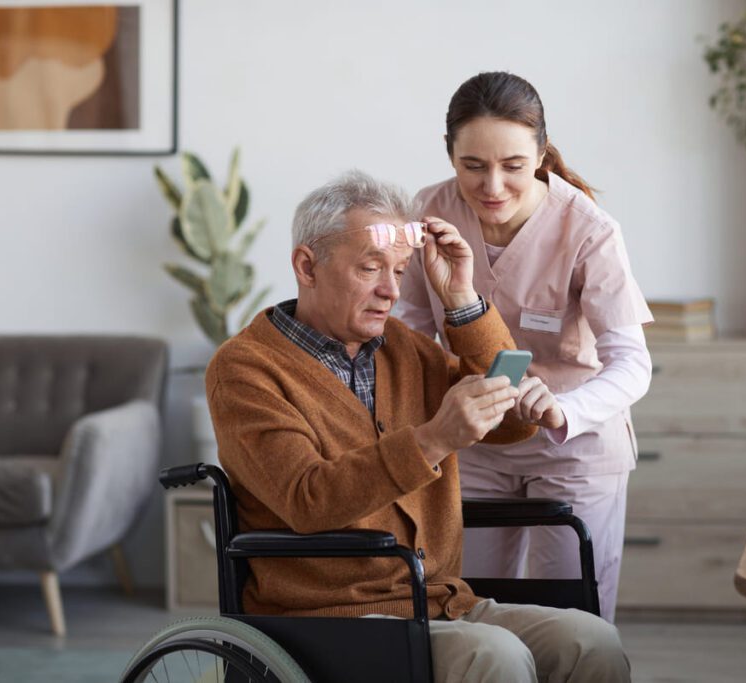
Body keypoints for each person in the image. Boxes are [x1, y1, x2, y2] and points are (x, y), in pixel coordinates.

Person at [205, 170, 631, 682]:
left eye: (401, 270)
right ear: (306, 266)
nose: (391, 290)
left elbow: (508, 429)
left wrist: (463, 301)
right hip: (328, 616)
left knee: (592, 641)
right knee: (494, 656)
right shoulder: (245, 370)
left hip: (438, 601)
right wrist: (433, 438)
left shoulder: (404, 348)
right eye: (369, 268)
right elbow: (307, 498)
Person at [396, 72, 653, 623]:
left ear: (540, 153)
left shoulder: (589, 230)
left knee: (573, 619)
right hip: (477, 444)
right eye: (473, 166)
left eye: (512, 166)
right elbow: (409, 335)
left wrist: (567, 409)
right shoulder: (431, 212)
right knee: (472, 612)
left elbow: (632, 362)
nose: (492, 186)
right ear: (450, 156)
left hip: (573, 444)